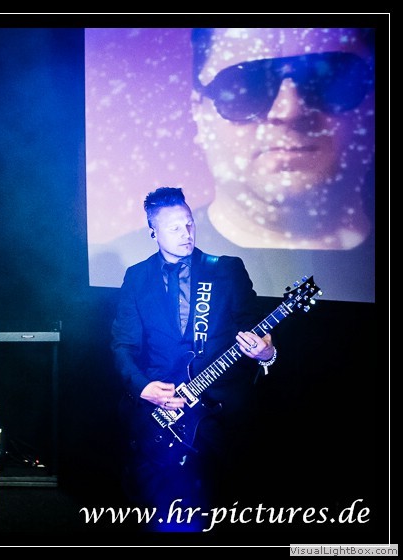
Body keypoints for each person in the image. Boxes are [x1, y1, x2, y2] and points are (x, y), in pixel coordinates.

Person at [110, 186, 278, 532]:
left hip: (219, 415)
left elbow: (257, 331)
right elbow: (123, 345)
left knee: (223, 510)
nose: (186, 233)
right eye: (174, 228)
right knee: (158, 512)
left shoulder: (226, 270)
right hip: (160, 413)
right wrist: (142, 388)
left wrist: (266, 352)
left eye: (189, 223)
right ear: (153, 231)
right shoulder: (137, 277)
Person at [189, 27, 376, 301]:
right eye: (245, 85)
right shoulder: (137, 276)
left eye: (327, 77)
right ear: (199, 114)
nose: (289, 110)